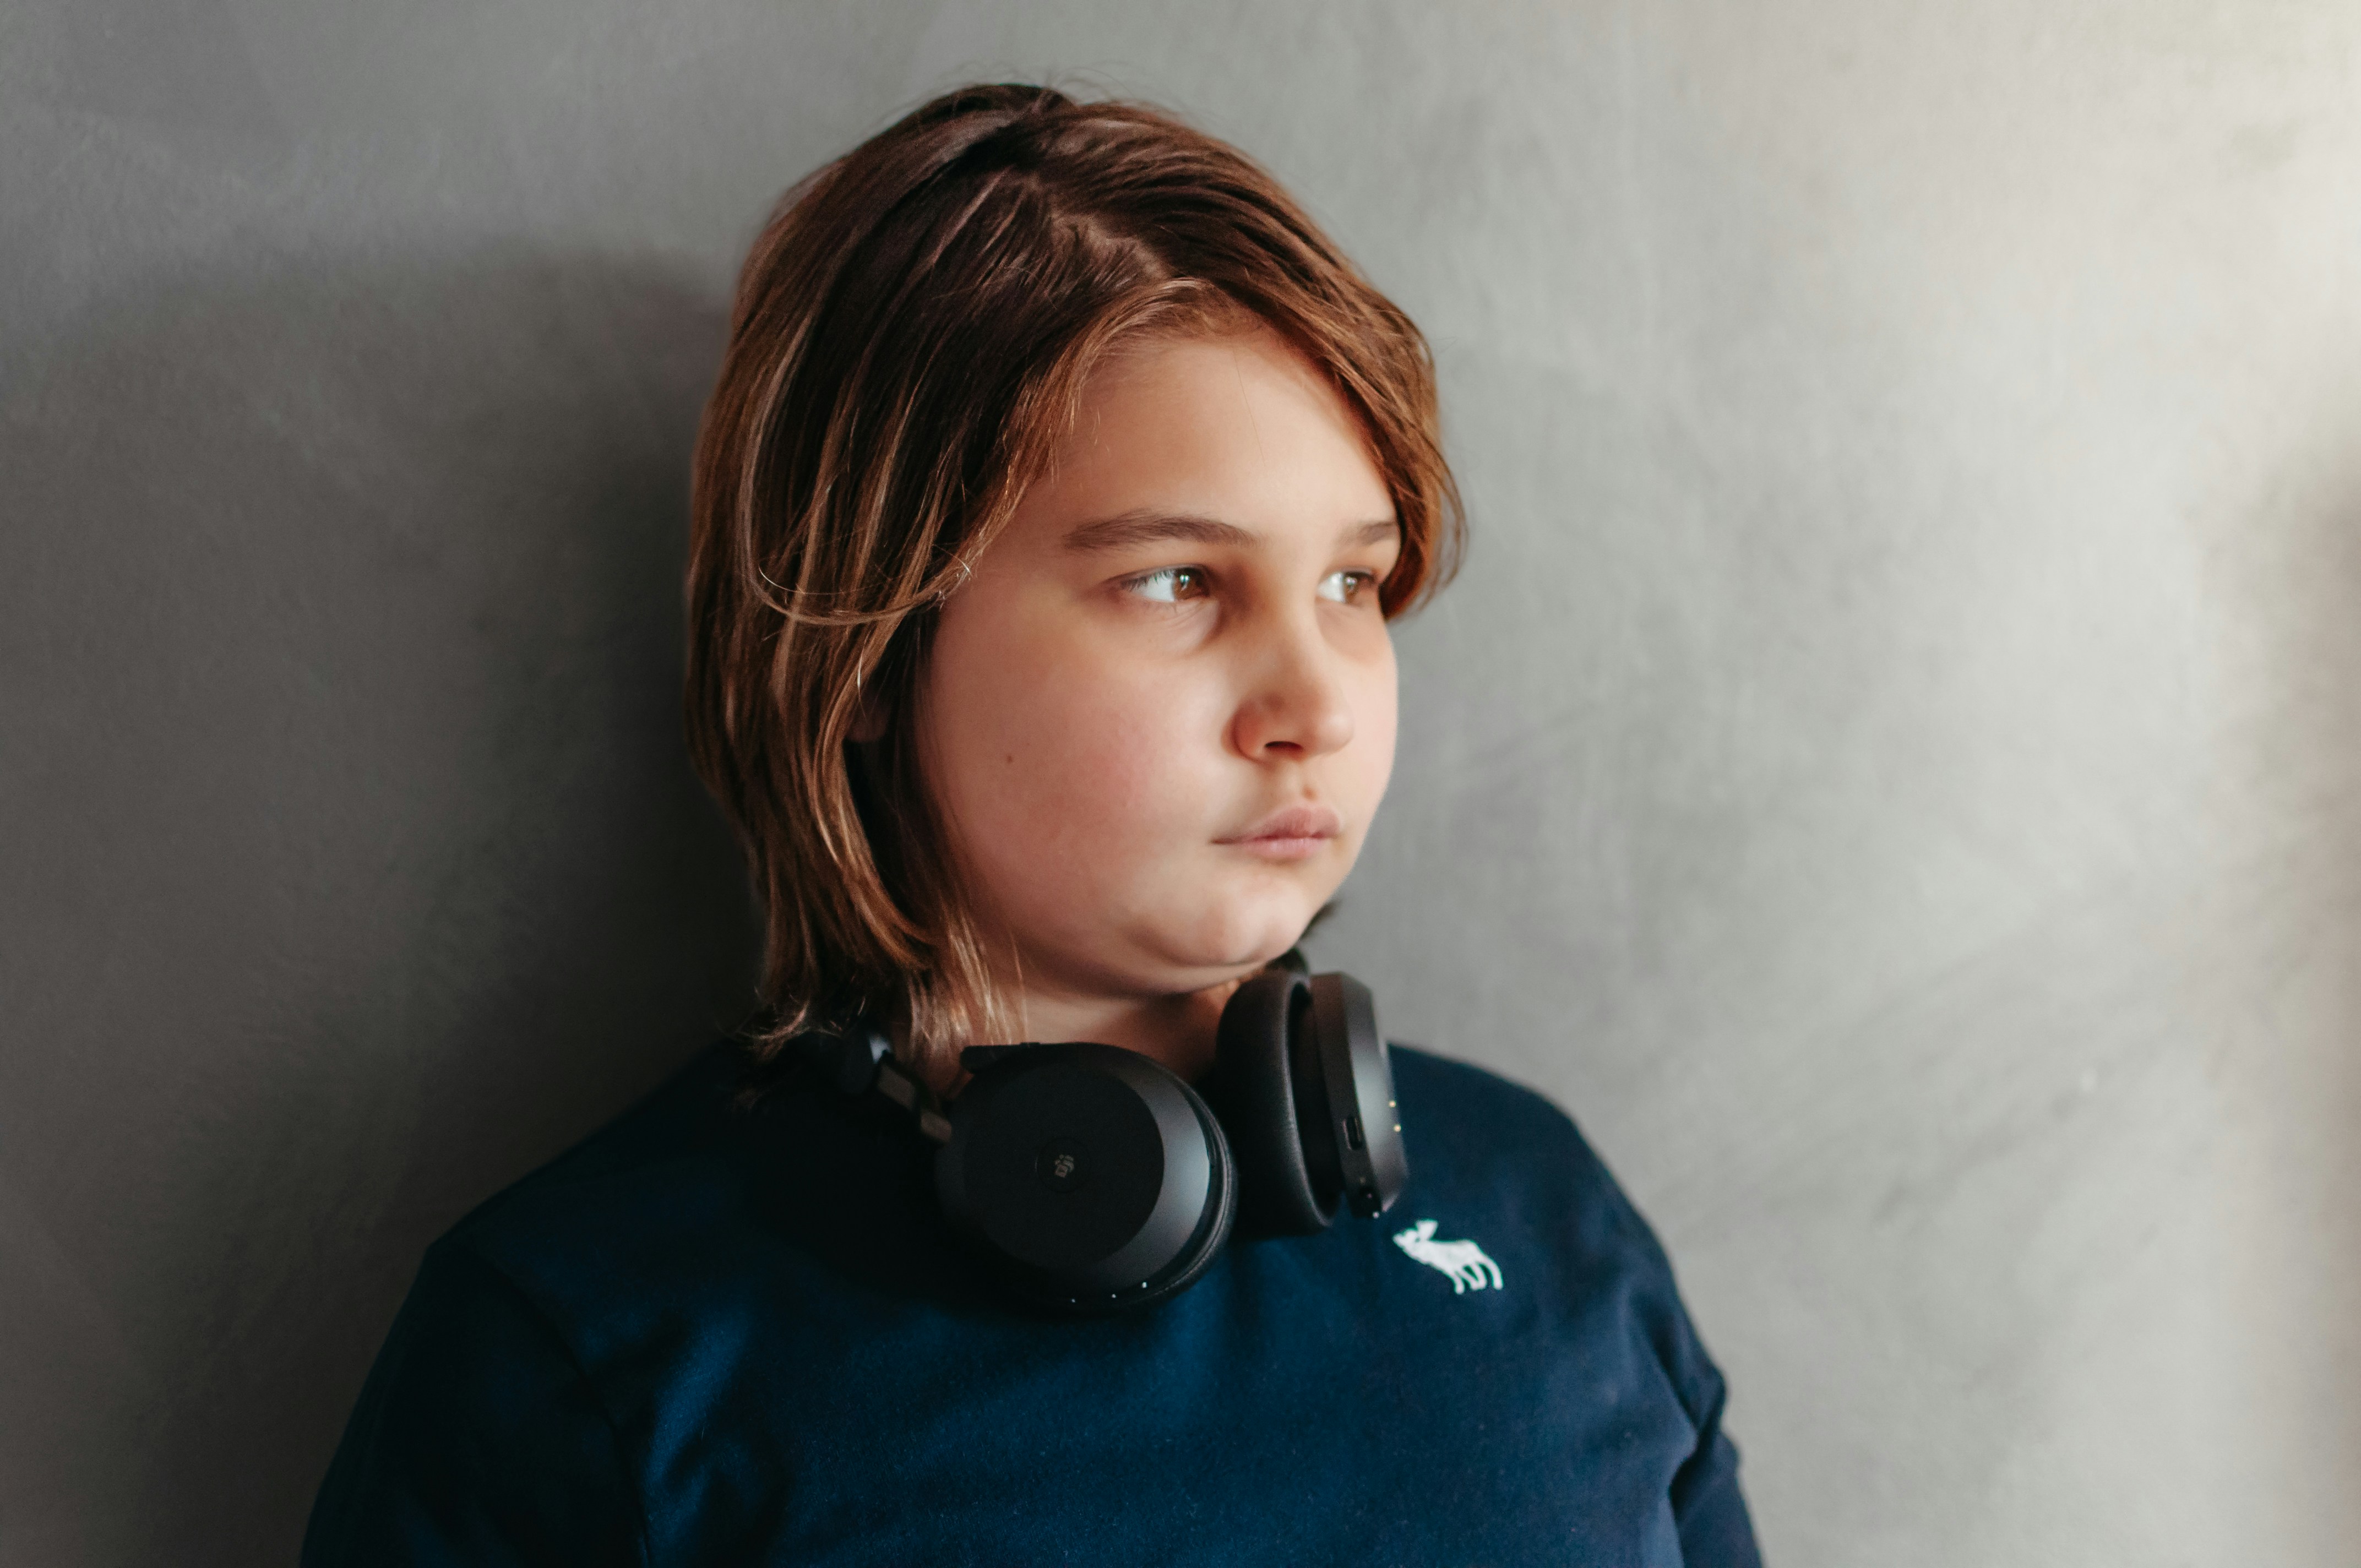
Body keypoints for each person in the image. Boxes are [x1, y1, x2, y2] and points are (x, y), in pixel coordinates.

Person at [302, 83, 1762, 1566]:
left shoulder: (1542, 1206)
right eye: (1180, 582)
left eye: (1352, 586)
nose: (1315, 704)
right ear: (867, 651)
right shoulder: (578, 1352)